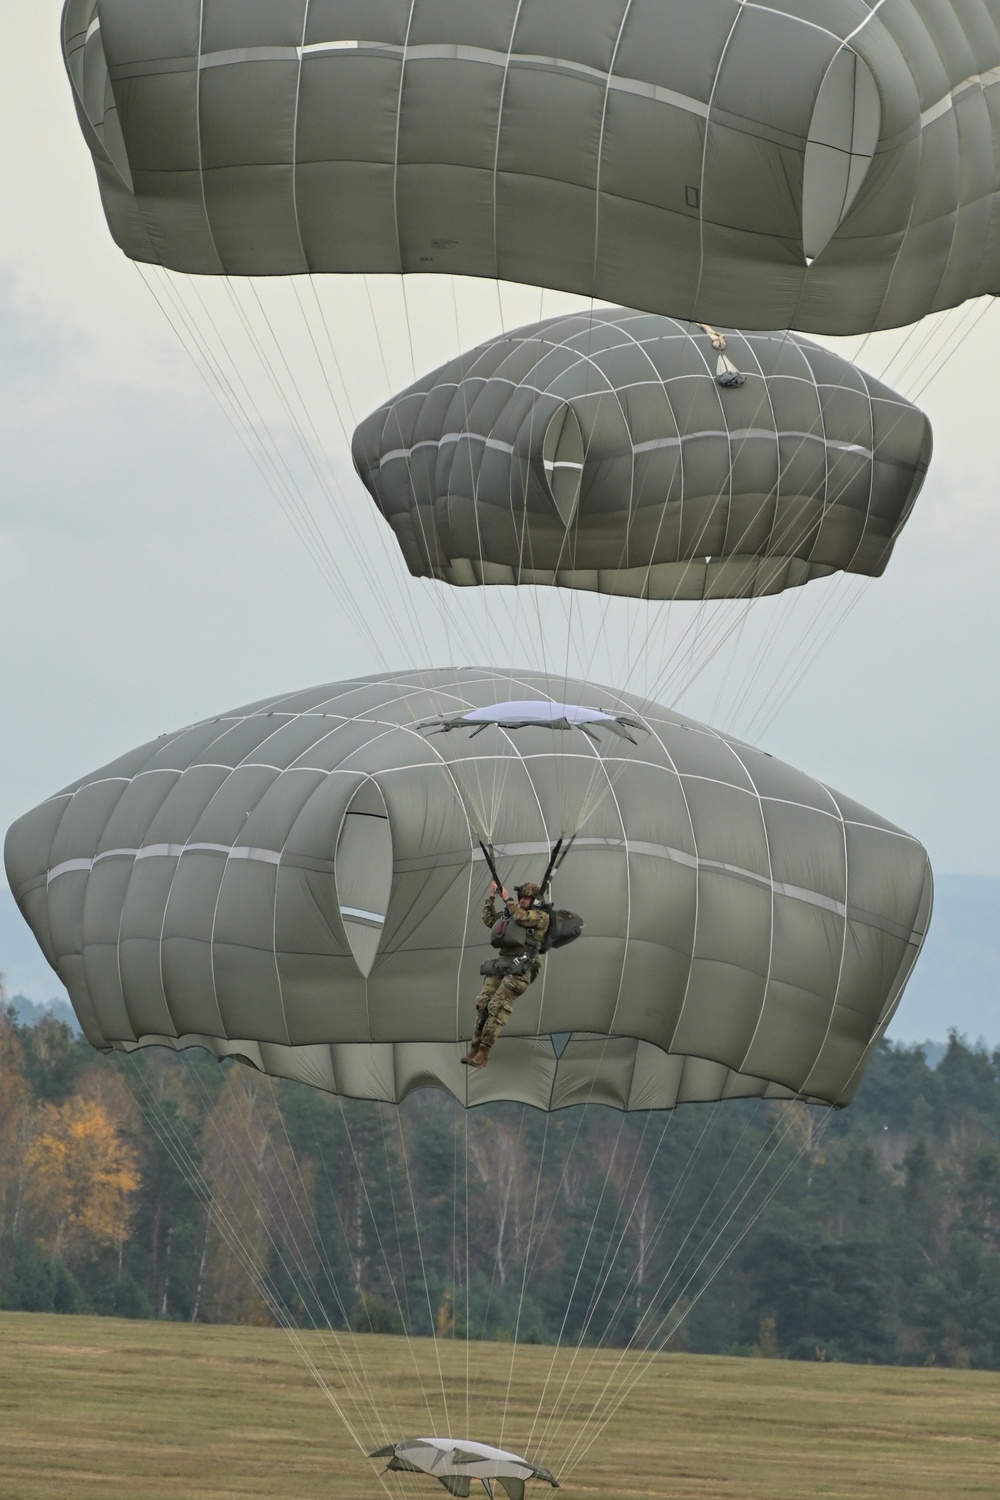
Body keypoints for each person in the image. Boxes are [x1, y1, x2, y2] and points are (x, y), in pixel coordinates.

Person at [461, 880, 550, 1069]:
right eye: (522, 897)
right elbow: (489, 920)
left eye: (528, 898)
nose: (524, 900)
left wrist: (508, 899)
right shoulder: (512, 912)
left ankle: (484, 1052)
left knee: (497, 1005)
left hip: (522, 967)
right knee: (483, 1003)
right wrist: (492, 897)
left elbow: (521, 917)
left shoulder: (540, 916)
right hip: (503, 963)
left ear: (535, 900)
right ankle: (474, 1047)